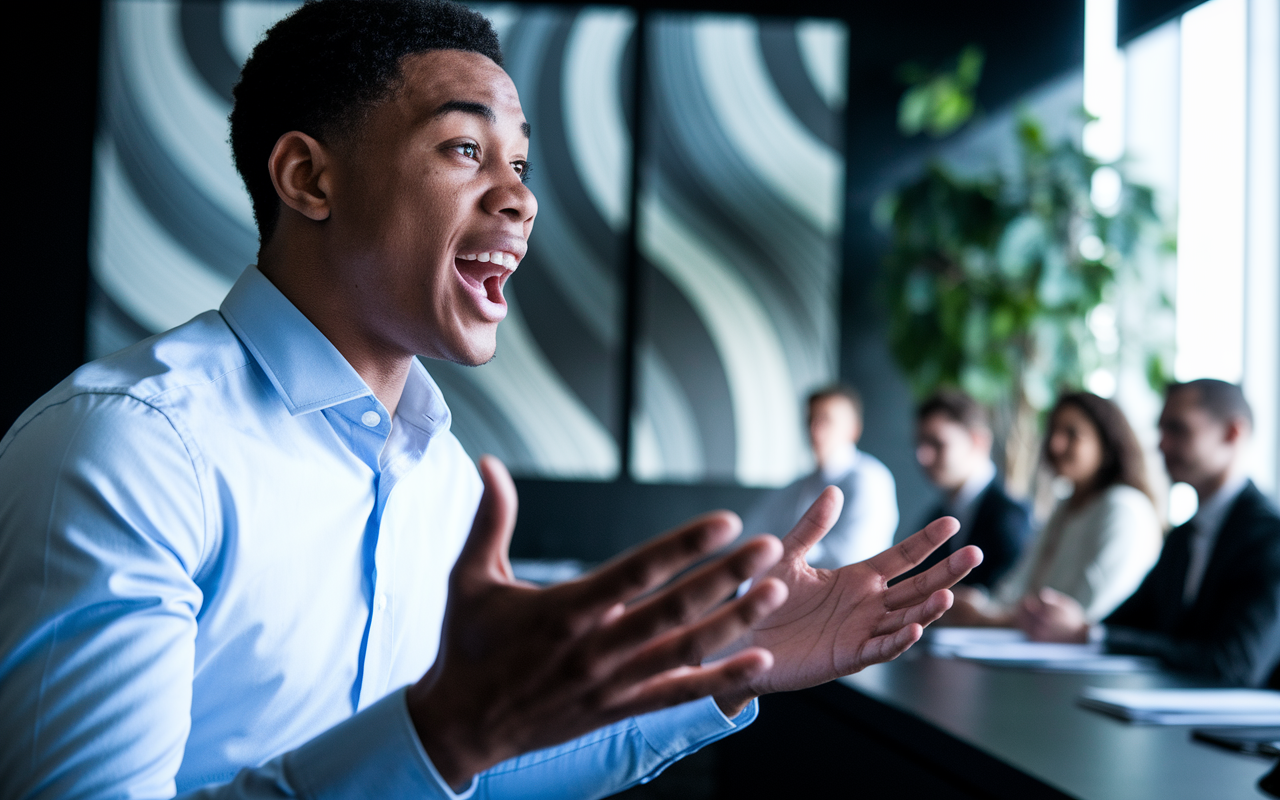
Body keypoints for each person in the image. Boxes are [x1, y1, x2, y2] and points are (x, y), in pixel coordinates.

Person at [0, 2, 982, 798]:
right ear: (308, 177)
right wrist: (448, 728)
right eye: (464, 150)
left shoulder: (436, 469)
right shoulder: (131, 449)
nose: (519, 198)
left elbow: (472, 765)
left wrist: (729, 659)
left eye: (520, 163)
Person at [1019, 380, 1280, 687]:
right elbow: (1127, 623)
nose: (1161, 444)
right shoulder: (1184, 536)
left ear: (1232, 433)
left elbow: (1233, 664)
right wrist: (1076, 627)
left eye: (1178, 429)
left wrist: (1088, 633)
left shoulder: (1269, 538)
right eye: (1160, 430)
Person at [945, 392, 1162, 628]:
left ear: (1107, 443)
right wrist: (980, 604)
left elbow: (1078, 618)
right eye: (1053, 432)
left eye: (1072, 434)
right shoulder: (1066, 506)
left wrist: (985, 618)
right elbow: (1020, 587)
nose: (1055, 444)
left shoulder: (1124, 508)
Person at [746, 385, 899, 569]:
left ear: (853, 429)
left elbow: (851, 558)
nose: (815, 430)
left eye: (826, 420)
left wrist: (779, 553)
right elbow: (749, 537)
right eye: (811, 420)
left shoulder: (869, 480)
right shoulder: (797, 487)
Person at [903, 389, 1031, 590]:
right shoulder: (936, 516)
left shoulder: (1010, 518)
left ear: (977, 441)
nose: (922, 456)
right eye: (920, 443)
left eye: (937, 443)